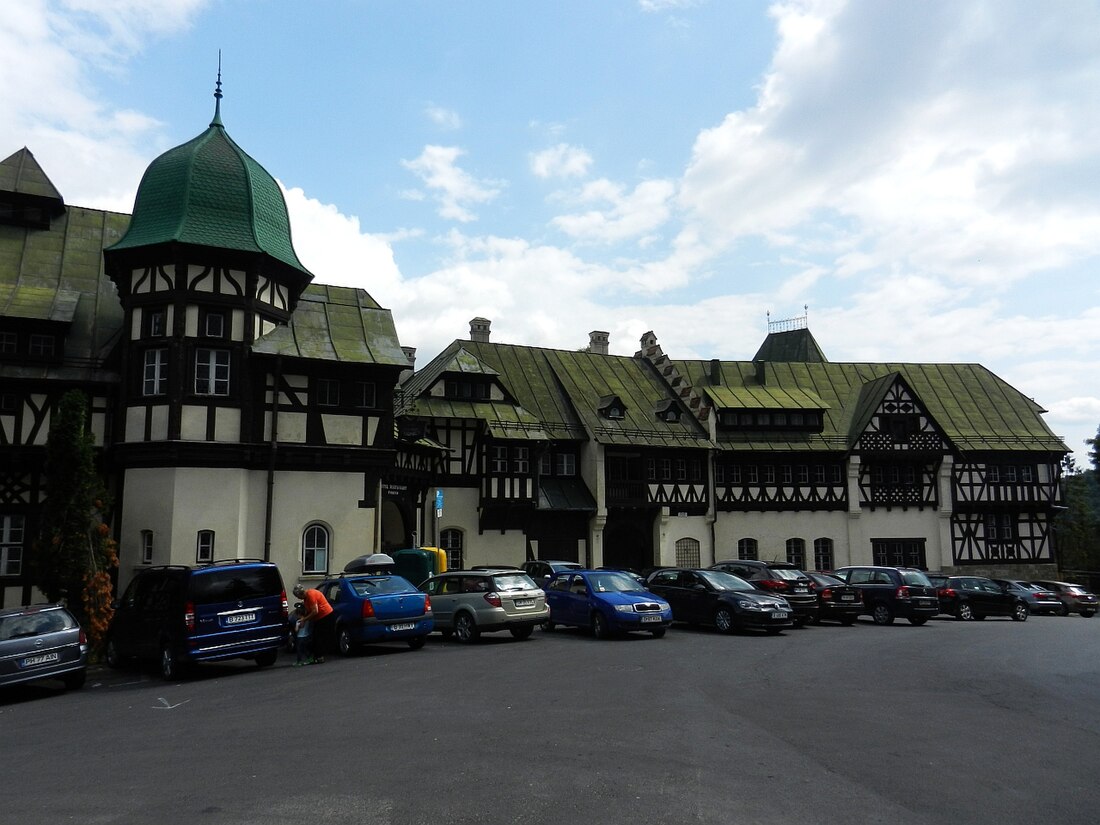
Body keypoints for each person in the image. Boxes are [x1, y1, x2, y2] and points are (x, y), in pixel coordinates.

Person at [291, 584, 333, 666]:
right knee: (315, 636)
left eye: (297, 596)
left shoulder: (310, 595)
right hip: (318, 617)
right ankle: (317, 656)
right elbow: (309, 610)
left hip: (324, 615)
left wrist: (305, 619)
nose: (298, 598)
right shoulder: (306, 598)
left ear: (300, 594)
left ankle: (319, 657)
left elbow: (315, 611)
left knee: (318, 636)